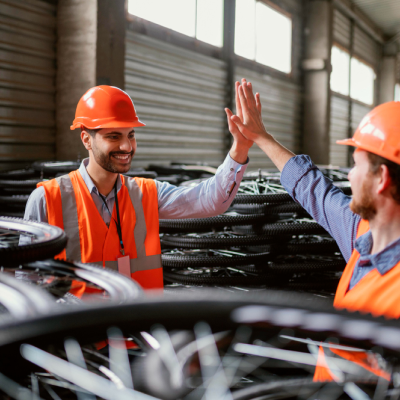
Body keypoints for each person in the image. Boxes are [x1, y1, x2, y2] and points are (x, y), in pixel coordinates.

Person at [24, 85, 252, 290]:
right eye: (113, 136)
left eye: (130, 135)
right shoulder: (46, 199)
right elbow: (27, 282)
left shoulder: (146, 193)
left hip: (136, 333)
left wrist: (240, 147)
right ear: (86, 139)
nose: (126, 146)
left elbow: (212, 200)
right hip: (80, 335)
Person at [227, 79, 400, 319]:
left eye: (355, 165)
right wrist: (261, 137)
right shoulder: (364, 234)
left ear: (381, 178)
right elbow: (314, 189)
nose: (349, 175)